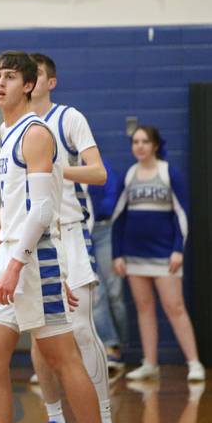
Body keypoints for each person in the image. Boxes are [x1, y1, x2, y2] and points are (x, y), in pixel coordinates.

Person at [0, 51, 117, 423]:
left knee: (64, 358)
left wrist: (22, 263)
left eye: (9, 77)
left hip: (30, 258)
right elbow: (18, 204)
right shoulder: (6, 131)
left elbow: (42, 209)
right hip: (14, 257)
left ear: (28, 85)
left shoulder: (36, 133)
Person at [26, 53, 120, 423]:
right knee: (39, 336)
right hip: (32, 235)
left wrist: (56, 170)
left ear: (51, 82)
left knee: (80, 329)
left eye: (36, 75)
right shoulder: (14, 126)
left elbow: (98, 172)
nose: (29, 81)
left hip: (70, 233)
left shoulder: (69, 118)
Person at [112, 126, 205, 382]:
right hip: (134, 255)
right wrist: (117, 254)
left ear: (155, 145)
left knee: (175, 307)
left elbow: (182, 214)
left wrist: (177, 250)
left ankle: (194, 363)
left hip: (165, 255)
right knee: (144, 308)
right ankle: (150, 363)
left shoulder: (168, 173)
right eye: (135, 142)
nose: (139, 146)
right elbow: (118, 218)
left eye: (144, 141)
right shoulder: (129, 175)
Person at [87, 159, 127, 374]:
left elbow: (112, 194)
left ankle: (121, 347)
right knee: (97, 293)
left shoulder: (101, 166)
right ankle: (110, 346)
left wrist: (100, 211)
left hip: (105, 229)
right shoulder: (61, 162)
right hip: (82, 231)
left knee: (115, 293)